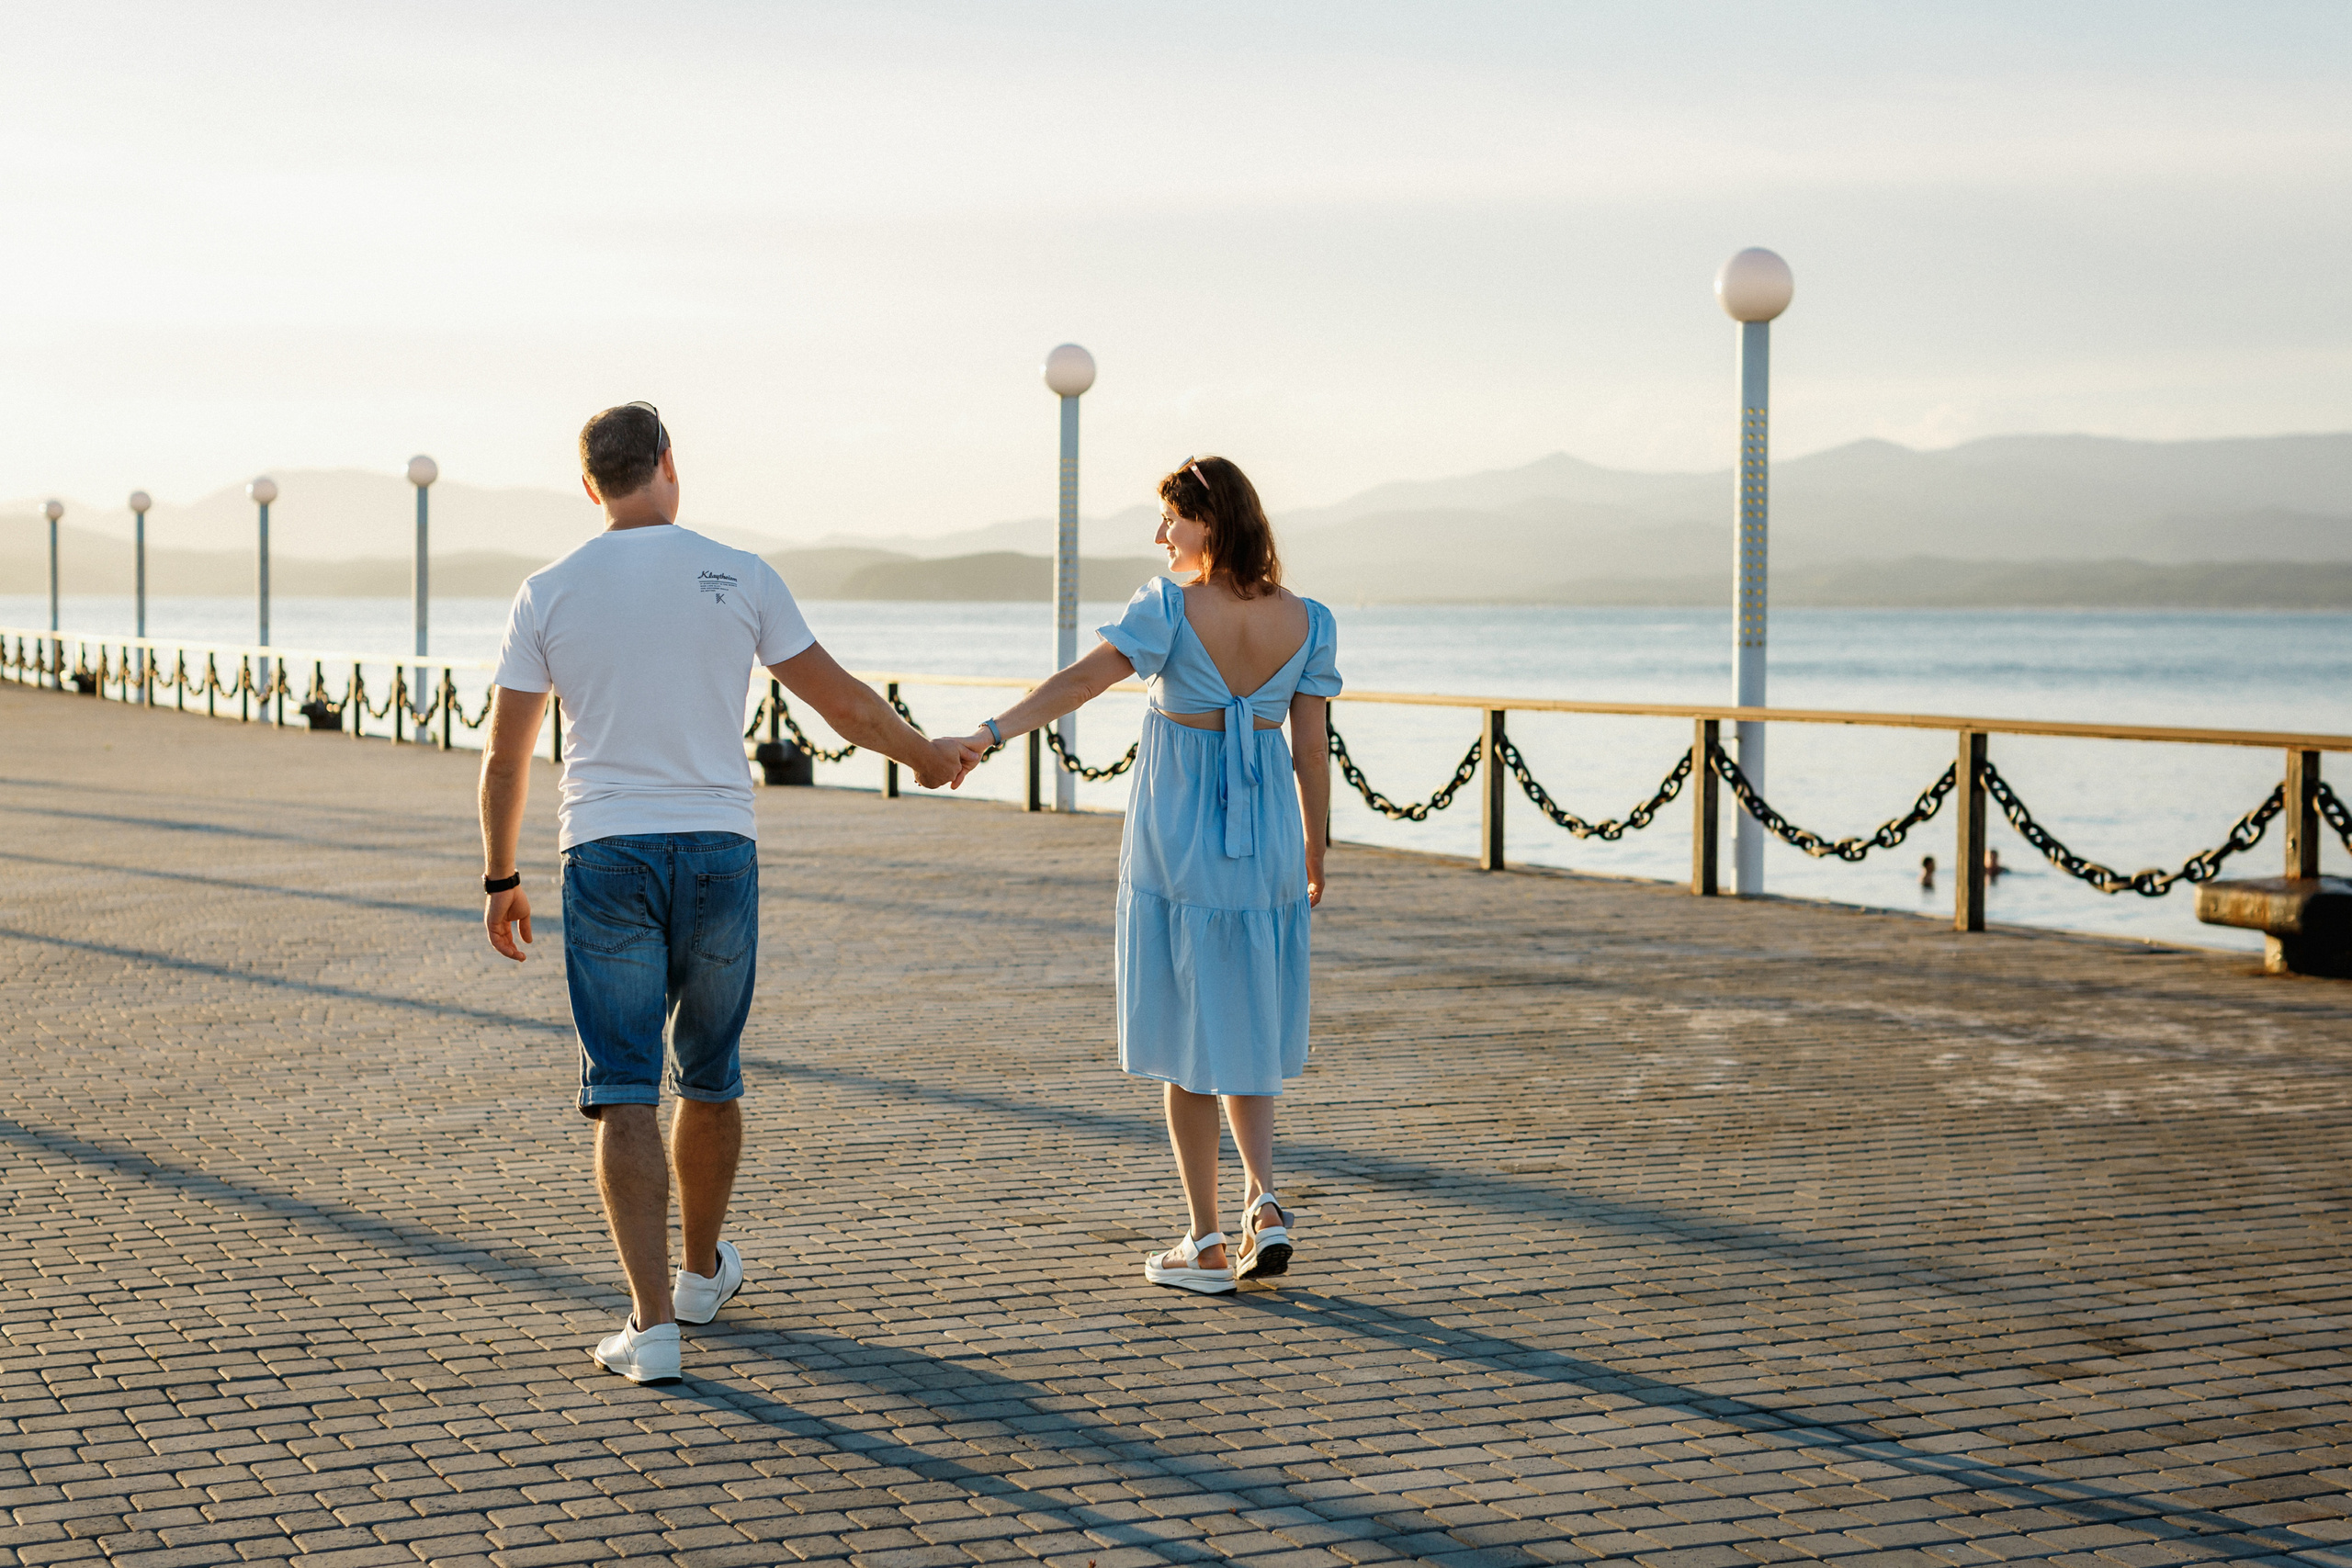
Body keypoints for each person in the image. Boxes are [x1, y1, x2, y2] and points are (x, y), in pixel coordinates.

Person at [478, 401, 982, 1383]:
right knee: (709, 1072)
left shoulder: (547, 591)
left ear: (590, 486)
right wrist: (924, 755)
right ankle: (703, 1272)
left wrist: (501, 874)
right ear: (669, 465)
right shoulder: (739, 574)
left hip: (607, 851)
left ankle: (654, 1324)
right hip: (719, 849)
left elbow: (507, 755)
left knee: (620, 1087)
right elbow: (841, 702)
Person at [946, 456, 1340, 1295]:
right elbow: (1310, 750)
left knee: (1184, 1039)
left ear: (1213, 519)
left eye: (1172, 518)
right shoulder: (1307, 620)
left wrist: (990, 732)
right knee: (1247, 1027)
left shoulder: (1165, 607)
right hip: (1266, 844)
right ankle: (1263, 1202)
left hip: (1181, 844)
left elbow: (1083, 680)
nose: (1160, 536)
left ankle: (1202, 1241)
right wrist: (1315, 848)